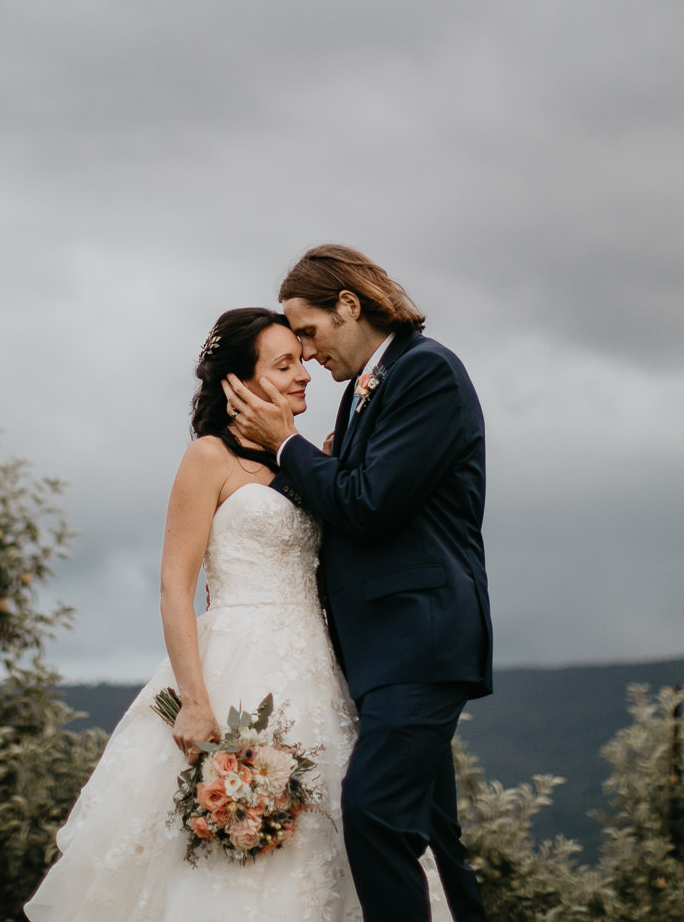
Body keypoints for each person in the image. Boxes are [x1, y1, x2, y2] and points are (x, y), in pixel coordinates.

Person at [25, 306, 450, 921]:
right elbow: (175, 587)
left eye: (302, 360)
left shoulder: (309, 460)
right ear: (237, 382)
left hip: (320, 671)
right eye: (284, 364)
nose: (304, 373)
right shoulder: (208, 458)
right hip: (235, 670)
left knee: (340, 832)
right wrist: (195, 701)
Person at [223, 245, 491, 922]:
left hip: (420, 636)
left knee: (373, 812)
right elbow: (342, 497)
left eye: (308, 332)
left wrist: (286, 444)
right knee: (436, 839)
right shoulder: (362, 392)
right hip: (381, 650)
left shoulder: (426, 371)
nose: (308, 354)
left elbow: (368, 502)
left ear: (348, 304)